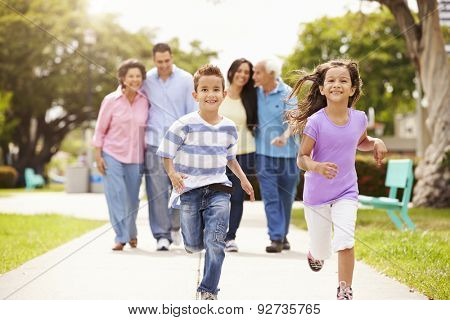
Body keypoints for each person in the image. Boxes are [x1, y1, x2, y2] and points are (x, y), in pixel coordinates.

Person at [286, 59, 387, 300]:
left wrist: (375, 142)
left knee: (345, 240)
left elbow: (360, 141)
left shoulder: (360, 118)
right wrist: (317, 167)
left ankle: (344, 290)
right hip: (317, 195)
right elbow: (302, 158)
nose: (336, 84)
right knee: (322, 250)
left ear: (353, 89)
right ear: (322, 88)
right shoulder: (316, 122)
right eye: (331, 80)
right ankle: (315, 253)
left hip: (346, 191)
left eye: (343, 80)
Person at [157, 65, 255, 300]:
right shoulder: (184, 124)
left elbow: (230, 158)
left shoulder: (229, 127)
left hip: (219, 189)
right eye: (204, 89)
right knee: (192, 245)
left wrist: (243, 180)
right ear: (195, 95)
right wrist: (172, 174)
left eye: (215, 89)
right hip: (189, 189)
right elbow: (165, 153)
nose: (210, 94)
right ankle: (194, 241)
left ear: (224, 94)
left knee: (216, 241)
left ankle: (209, 289)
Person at [142, 43, 197, 251]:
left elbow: (192, 111)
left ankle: (175, 227)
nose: (164, 65)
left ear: (172, 58)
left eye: (167, 61)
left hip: (178, 144)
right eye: (159, 62)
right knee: (156, 191)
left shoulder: (186, 79)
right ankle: (161, 236)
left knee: (179, 187)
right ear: (154, 60)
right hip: (154, 142)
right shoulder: (146, 79)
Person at [93, 59, 148, 251]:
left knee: (133, 199)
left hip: (136, 157)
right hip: (112, 154)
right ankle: (121, 237)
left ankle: (132, 233)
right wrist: (98, 155)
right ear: (123, 78)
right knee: (116, 195)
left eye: (138, 76)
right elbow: (100, 130)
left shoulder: (145, 100)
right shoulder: (110, 100)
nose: (134, 79)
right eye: (130, 76)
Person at [253, 59, 300, 253]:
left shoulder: (287, 93)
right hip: (264, 154)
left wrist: (285, 136)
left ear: (271, 74)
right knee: (271, 197)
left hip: (288, 155)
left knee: (286, 198)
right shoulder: (253, 93)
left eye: (258, 73)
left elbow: (295, 120)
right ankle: (276, 238)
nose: (254, 77)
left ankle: (282, 234)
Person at [219, 58, 258, 252]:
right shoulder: (220, 94)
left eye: (247, 72)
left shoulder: (251, 97)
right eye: (239, 71)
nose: (243, 75)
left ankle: (230, 237)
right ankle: (213, 234)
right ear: (232, 72)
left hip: (245, 153)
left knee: (236, 197)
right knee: (217, 196)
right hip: (218, 154)